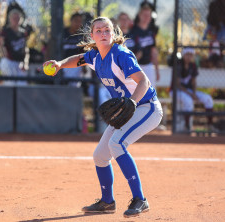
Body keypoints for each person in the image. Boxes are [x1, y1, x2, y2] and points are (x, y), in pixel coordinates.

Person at [43, 17, 163, 218]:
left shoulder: (121, 55)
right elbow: (79, 59)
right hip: (129, 109)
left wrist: (132, 102)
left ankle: (140, 199)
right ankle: (107, 202)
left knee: (117, 143)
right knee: (100, 156)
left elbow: (144, 81)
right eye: (98, 30)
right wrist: (60, 64)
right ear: (92, 36)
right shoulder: (96, 56)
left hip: (147, 107)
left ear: (113, 33)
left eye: (107, 29)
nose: (103, 33)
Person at [170, 47, 217, 132]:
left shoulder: (193, 65)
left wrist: (194, 93)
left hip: (189, 91)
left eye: (191, 55)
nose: (189, 57)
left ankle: (210, 126)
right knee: (188, 101)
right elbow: (177, 85)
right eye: (187, 54)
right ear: (183, 55)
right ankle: (187, 127)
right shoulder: (178, 65)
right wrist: (191, 95)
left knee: (208, 99)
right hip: (176, 91)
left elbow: (194, 82)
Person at [0, 2, 32, 85]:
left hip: (19, 63)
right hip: (9, 62)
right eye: (14, 18)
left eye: (17, 18)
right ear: (10, 19)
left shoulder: (23, 33)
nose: (16, 20)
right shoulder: (5, 32)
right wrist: (3, 52)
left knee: (22, 85)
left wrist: (25, 63)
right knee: (10, 83)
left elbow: (25, 50)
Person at [127, 2, 160, 88]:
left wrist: (157, 70)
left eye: (148, 15)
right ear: (140, 15)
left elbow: (153, 51)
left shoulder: (151, 31)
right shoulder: (133, 30)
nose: (146, 18)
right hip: (137, 66)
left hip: (148, 65)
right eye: (144, 15)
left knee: (151, 92)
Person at [61, 12, 85, 87]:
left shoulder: (82, 35)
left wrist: (84, 67)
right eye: (76, 21)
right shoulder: (62, 33)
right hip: (62, 63)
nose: (78, 23)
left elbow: (84, 52)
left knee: (74, 86)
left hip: (76, 65)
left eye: (80, 21)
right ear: (71, 21)